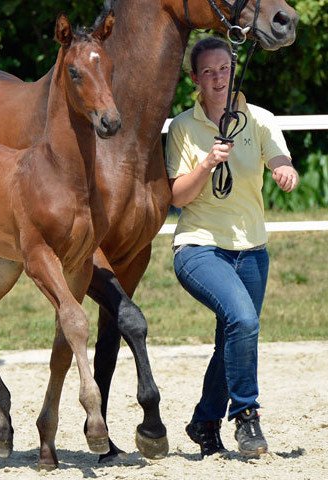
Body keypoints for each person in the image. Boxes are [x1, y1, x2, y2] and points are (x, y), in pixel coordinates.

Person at [165, 36, 299, 458]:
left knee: (234, 335)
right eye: (209, 72)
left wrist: (285, 173)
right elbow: (178, 197)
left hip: (252, 250)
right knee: (243, 319)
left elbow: (281, 160)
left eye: (224, 69)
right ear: (195, 79)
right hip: (199, 247)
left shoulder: (258, 120)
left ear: (232, 72)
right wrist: (206, 163)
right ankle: (246, 416)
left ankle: (205, 421)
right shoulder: (183, 128)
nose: (218, 78)